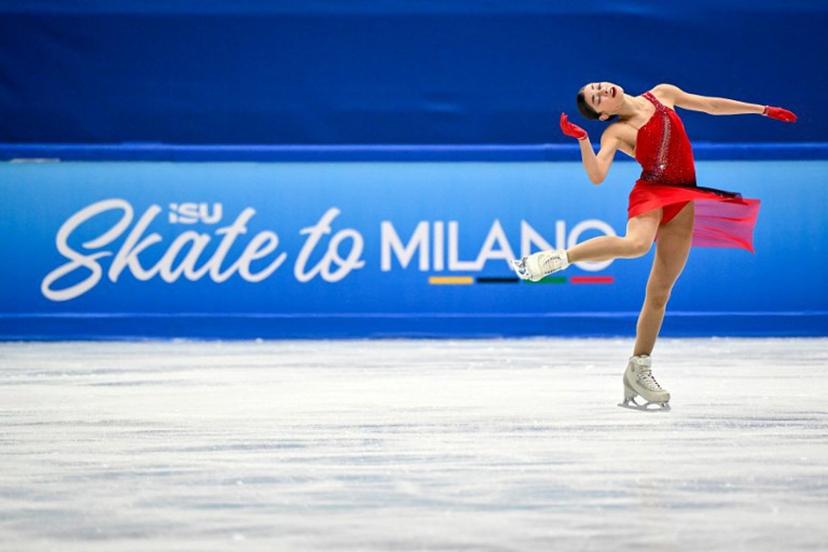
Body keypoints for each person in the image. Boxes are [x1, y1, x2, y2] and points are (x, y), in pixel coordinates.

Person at [511, 82, 797, 410]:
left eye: (598, 86)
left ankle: (638, 368)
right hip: (651, 193)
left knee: (660, 292)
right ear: (603, 113)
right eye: (597, 97)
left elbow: (710, 105)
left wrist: (761, 109)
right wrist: (582, 140)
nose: (602, 90)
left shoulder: (662, 93)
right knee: (636, 244)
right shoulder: (616, 133)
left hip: (683, 198)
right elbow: (597, 174)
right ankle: (558, 258)